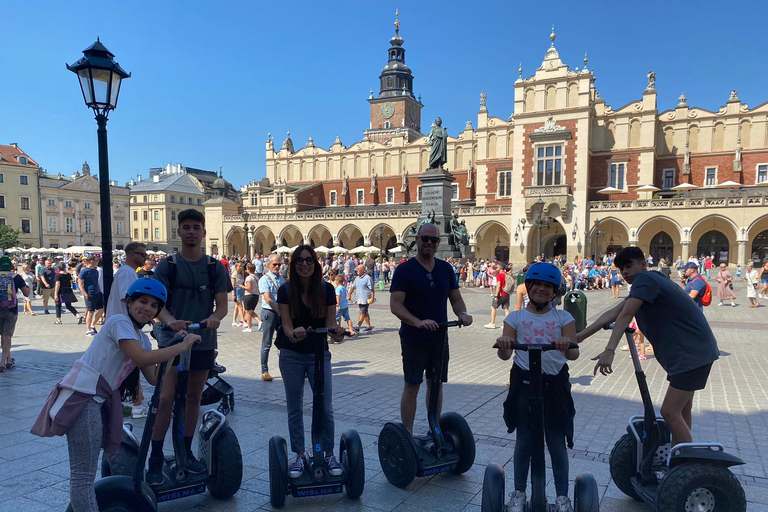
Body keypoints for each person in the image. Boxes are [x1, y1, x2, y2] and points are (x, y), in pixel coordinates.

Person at [31, 278, 200, 512]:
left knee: (85, 476)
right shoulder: (119, 322)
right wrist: (180, 347)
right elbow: (140, 358)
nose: (147, 308)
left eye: (154, 305)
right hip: (82, 398)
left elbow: (153, 377)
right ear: (128, 302)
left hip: (96, 400)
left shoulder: (141, 339)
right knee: (82, 476)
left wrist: (175, 346)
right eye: (142, 301)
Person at [578, 247, 719, 446]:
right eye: (621, 269)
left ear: (643, 264)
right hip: (693, 353)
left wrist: (610, 350)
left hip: (691, 354)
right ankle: (678, 458)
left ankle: (689, 466)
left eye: (629, 266)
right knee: (681, 410)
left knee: (669, 412)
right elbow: (614, 313)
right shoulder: (650, 282)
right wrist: (579, 337)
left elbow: (626, 316)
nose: (625, 272)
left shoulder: (645, 280)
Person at [147, 209, 232, 485]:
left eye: (197, 227)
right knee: (166, 399)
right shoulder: (167, 266)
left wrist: (214, 319)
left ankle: (185, 451)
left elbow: (222, 306)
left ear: (204, 232)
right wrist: (171, 321)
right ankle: (156, 456)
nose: (192, 232)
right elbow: (158, 306)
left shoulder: (214, 267)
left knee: (194, 397)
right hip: (172, 342)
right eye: (187, 227)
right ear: (179, 232)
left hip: (203, 340)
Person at [495, 262, 579, 512]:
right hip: (524, 385)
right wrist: (504, 344)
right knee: (524, 441)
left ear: (554, 292)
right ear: (528, 287)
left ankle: (562, 497)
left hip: (554, 387)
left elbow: (573, 354)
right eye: (537, 285)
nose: (542, 289)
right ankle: (519, 492)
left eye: (547, 286)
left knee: (555, 442)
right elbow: (504, 357)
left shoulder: (563, 317)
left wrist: (566, 342)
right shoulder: (515, 317)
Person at [390, 222, 473, 434]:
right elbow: (396, 305)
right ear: (417, 239)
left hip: (439, 336)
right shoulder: (404, 270)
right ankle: (407, 433)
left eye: (433, 240)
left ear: (439, 243)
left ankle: (434, 428)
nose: (429, 243)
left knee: (435, 384)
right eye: (425, 238)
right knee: (412, 384)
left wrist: (462, 314)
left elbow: (456, 299)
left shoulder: (445, 269)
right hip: (413, 337)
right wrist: (416, 321)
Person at [275, 245, 346, 479]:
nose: (304, 264)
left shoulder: (326, 290)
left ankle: (328, 453)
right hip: (291, 353)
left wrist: (337, 333)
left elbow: (330, 324)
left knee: (325, 406)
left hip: (318, 353)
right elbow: (285, 324)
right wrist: (293, 332)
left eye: (308, 260)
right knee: (295, 406)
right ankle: (300, 456)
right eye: (299, 261)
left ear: (315, 265)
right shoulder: (285, 291)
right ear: (293, 266)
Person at [0, 257, 31, 372]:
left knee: (3, 335)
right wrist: (28, 288)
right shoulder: (15, 277)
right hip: (11, 309)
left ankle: (8, 360)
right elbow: (26, 293)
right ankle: (2, 362)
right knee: (7, 335)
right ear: (11, 266)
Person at [259, 254, 285, 381]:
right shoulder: (264, 279)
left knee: (284, 341)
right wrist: (279, 310)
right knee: (267, 343)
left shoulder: (282, 279)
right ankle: (264, 371)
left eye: (279, 264)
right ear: (268, 265)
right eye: (274, 264)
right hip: (269, 313)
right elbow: (268, 298)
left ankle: (286, 367)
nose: (277, 266)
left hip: (281, 312)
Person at [78, 256, 104, 336]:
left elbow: (96, 282)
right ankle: (88, 330)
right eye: (96, 260)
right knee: (90, 312)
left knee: (101, 309)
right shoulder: (84, 271)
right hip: (90, 293)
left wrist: (100, 290)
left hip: (97, 292)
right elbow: (80, 283)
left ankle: (93, 325)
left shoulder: (96, 271)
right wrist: (85, 293)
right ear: (91, 261)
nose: (97, 262)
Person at [348, 264, 374, 332]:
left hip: (365, 298)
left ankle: (358, 326)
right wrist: (349, 294)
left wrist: (372, 298)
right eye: (357, 269)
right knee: (365, 312)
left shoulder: (367, 278)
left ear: (363, 270)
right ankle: (368, 326)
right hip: (359, 298)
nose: (357, 271)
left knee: (362, 312)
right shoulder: (357, 278)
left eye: (358, 269)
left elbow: (372, 289)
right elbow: (353, 287)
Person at [485, 264, 511, 329]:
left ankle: (492, 323)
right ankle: (507, 324)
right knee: (506, 308)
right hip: (507, 293)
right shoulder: (507, 274)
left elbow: (498, 286)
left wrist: (496, 295)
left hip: (501, 294)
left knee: (493, 307)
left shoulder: (499, 275)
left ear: (500, 268)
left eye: (497, 267)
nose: (496, 269)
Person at [240, 262, 263, 332]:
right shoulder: (256, 277)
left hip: (249, 295)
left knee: (247, 311)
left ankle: (249, 327)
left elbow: (249, 288)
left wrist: (242, 286)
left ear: (248, 270)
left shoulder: (249, 277)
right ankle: (259, 322)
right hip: (256, 295)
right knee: (251, 311)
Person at [231, 262, 246, 327]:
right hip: (237, 290)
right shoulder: (234, 274)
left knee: (237, 307)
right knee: (240, 307)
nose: (240, 267)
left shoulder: (242, 274)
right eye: (239, 266)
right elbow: (232, 285)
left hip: (241, 290)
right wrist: (233, 294)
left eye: (241, 266)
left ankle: (234, 321)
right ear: (236, 267)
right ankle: (243, 320)